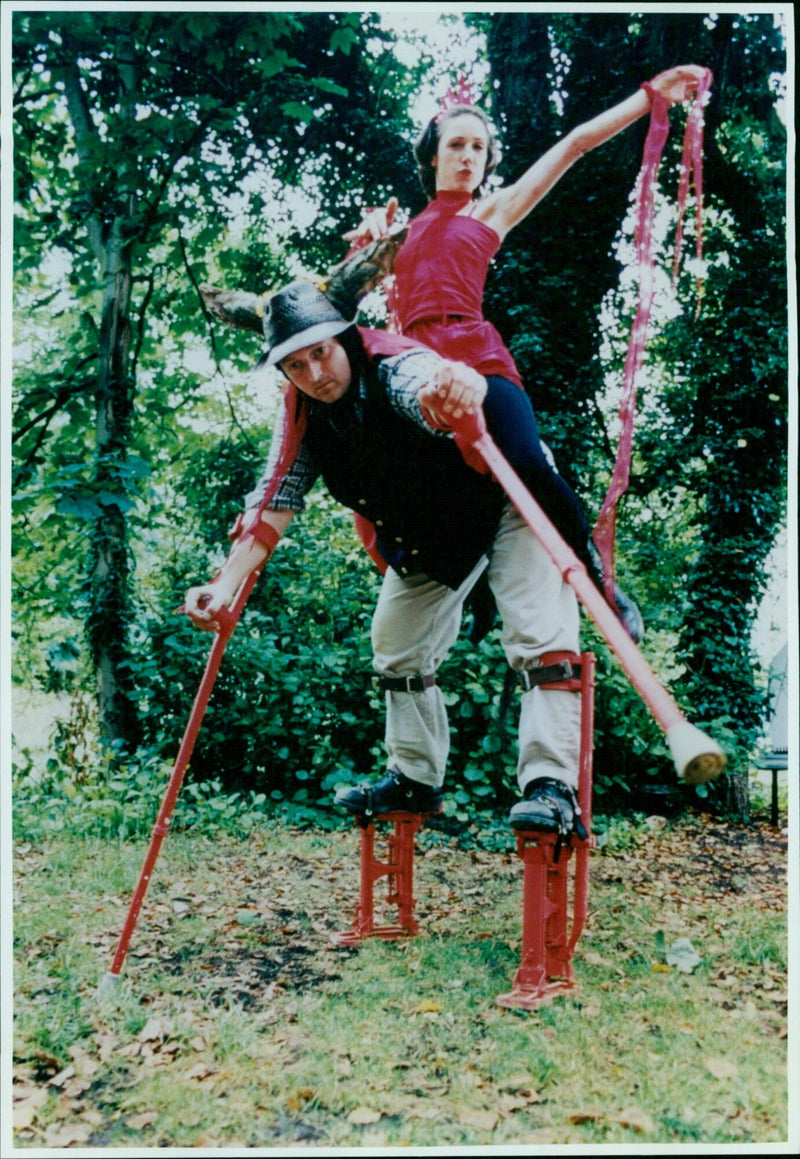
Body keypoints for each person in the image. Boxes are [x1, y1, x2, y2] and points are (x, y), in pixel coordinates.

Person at [184, 279, 587, 834]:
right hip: (432, 527)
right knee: (397, 647)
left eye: (320, 353)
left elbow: (423, 390)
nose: (315, 375)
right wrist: (223, 588)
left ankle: (551, 787)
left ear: (344, 340)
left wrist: (451, 388)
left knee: (537, 631)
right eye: (295, 366)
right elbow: (275, 496)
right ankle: (414, 781)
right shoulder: (303, 414)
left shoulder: (390, 366)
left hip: (502, 489)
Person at [344, 64, 708, 641]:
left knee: (527, 462)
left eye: (479, 148)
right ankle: (470, 591)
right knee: (387, 484)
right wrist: (367, 241)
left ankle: (600, 580)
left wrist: (648, 97)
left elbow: (575, 144)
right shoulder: (400, 234)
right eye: (455, 145)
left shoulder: (491, 211)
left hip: (476, 355)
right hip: (413, 370)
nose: (468, 156)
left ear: (488, 162)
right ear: (432, 158)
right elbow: (336, 301)